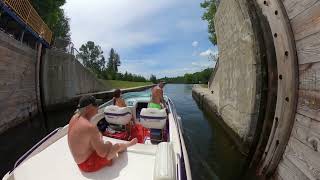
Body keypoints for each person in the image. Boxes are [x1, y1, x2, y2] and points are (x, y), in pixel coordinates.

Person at [68, 95, 137, 172]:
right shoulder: (90, 127)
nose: (99, 107)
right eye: (96, 105)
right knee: (114, 146)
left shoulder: (74, 118)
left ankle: (123, 147)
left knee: (107, 145)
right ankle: (128, 145)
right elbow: (103, 153)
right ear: (90, 107)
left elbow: (81, 139)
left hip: (79, 161)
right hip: (89, 165)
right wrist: (105, 142)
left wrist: (98, 138)